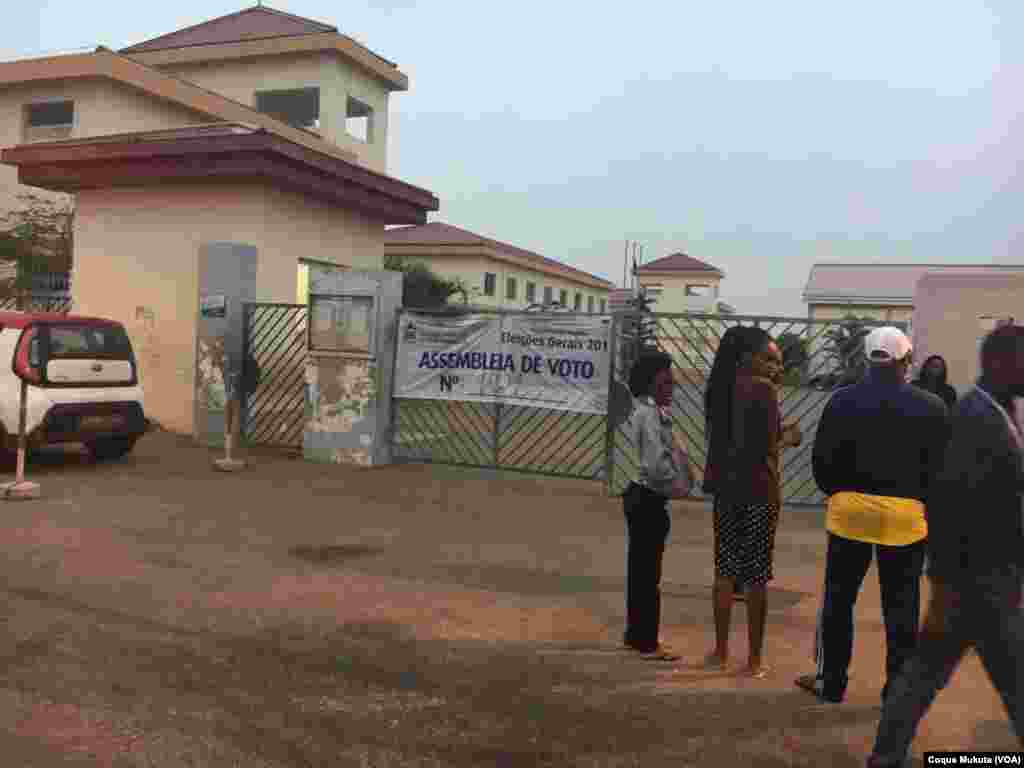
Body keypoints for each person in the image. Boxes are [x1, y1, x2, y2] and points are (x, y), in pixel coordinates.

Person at [866, 324, 1024, 768]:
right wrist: (946, 582)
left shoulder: (999, 410)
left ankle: (886, 755)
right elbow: (950, 501)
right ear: (999, 362)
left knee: (924, 674)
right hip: (979, 582)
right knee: (1006, 679)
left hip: (989, 579)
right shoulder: (976, 418)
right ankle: (885, 756)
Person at [795, 327, 950, 704]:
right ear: (906, 361)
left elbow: (822, 466)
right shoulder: (932, 407)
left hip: (849, 517)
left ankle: (832, 683)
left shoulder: (840, 401)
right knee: (901, 608)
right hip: (905, 522)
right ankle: (896, 691)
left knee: (838, 601)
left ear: (867, 359)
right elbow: (942, 472)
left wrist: (843, 493)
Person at [702, 327, 794, 678]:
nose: (775, 368)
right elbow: (768, 446)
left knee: (725, 570)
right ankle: (754, 659)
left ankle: (720, 651)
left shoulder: (720, 389)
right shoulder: (764, 390)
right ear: (746, 357)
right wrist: (791, 438)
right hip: (759, 491)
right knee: (757, 576)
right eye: (769, 359)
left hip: (727, 491)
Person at [622, 350, 692, 661]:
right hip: (647, 497)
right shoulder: (649, 414)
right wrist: (677, 483)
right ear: (653, 382)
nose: (673, 384)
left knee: (642, 572)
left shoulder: (649, 412)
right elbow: (654, 465)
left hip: (645, 497)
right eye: (667, 378)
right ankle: (645, 641)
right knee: (647, 574)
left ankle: (637, 635)